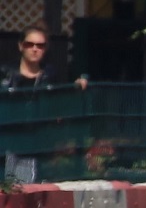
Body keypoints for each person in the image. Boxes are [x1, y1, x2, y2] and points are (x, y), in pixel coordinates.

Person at [4, 27, 89, 184]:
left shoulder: (50, 77)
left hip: (39, 145)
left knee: (29, 189)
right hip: (9, 143)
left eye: (40, 45)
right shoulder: (6, 75)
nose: (35, 49)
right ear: (20, 46)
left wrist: (76, 87)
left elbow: (62, 103)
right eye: (30, 44)